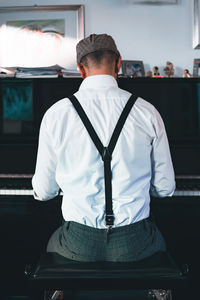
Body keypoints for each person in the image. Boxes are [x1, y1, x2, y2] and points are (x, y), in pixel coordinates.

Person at [32, 33, 175, 263]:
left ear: (80, 69)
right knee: (164, 240)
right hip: (135, 242)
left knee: (49, 244)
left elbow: (44, 192)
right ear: (118, 63)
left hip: (78, 243)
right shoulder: (147, 112)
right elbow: (165, 188)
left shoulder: (56, 115)